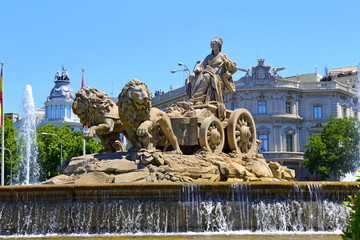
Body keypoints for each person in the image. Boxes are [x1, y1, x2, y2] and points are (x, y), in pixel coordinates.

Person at [186, 37, 237, 106]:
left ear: (219, 45)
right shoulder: (208, 57)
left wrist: (227, 62)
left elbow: (234, 68)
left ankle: (195, 99)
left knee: (206, 76)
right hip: (207, 72)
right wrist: (197, 70)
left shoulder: (223, 55)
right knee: (192, 76)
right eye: (211, 43)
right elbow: (202, 65)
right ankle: (196, 99)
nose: (212, 45)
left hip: (217, 76)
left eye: (214, 43)